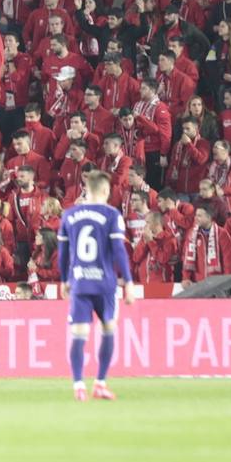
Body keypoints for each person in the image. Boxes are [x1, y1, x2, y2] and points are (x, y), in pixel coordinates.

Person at [59, 170, 136, 401]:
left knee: (79, 334)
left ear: (87, 189)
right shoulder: (112, 215)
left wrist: (63, 279)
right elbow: (119, 250)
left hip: (80, 283)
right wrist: (129, 282)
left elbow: (62, 253)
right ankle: (100, 383)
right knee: (108, 329)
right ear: (105, 191)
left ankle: (78, 385)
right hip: (105, 284)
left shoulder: (69, 215)